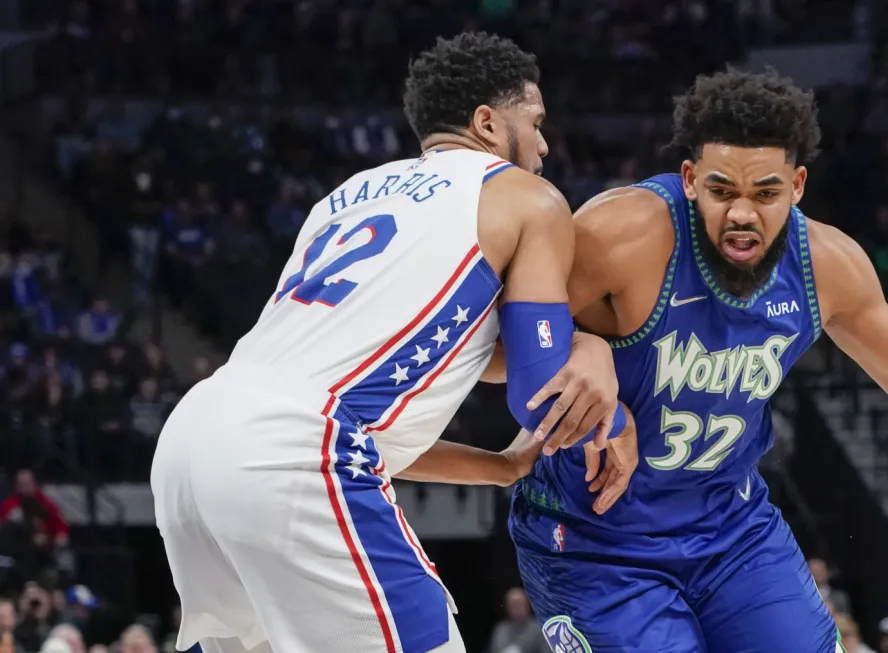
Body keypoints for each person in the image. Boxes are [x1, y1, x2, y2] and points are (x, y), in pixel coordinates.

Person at [501, 69, 888, 652]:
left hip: (730, 528)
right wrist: (582, 349)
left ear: (798, 187)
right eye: (721, 189)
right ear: (691, 178)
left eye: (766, 192)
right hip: (595, 540)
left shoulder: (824, 265)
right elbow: (491, 349)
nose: (742, 213)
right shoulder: (625, 233)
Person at [151, 32, 635, 653]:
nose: (544, 144)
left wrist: (499, 467)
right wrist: (611, 405)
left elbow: (360, 415)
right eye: (536, 123)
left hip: (194, 438)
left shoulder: (342, 198)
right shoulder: (528, 198)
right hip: (295, 448)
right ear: (488, 123)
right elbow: (540, 389)